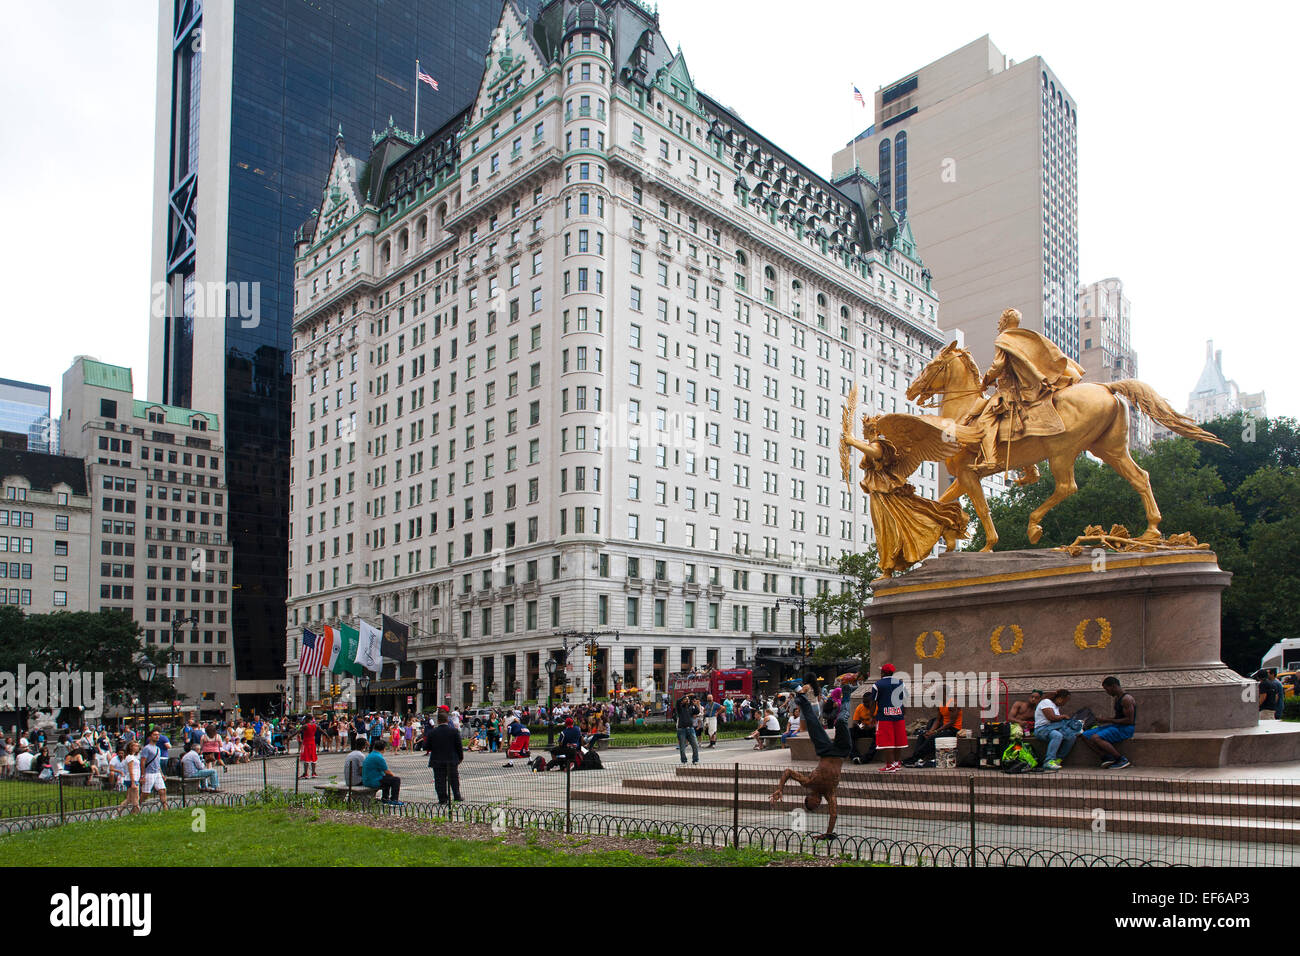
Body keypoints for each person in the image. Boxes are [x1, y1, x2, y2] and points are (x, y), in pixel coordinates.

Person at [972, 307, 1084, 476]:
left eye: (999, 321)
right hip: (1024, 387)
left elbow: (998, 365)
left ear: (1004, 322)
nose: (997, 324)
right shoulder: (1021, 338)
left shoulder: (1003, 338)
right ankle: (1029, 466)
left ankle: (990, 459)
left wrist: (986, 380)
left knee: (985, 420)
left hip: (1011, 391)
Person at [769, 683, 851, 840]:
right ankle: (846, 699)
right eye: (818, 805)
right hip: (841, 751)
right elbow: (833, 814)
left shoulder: (808, 782)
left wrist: (780, 788)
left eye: (814, 803)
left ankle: (800, 693)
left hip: (825, 751)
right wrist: (827, 834)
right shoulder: (829, 793)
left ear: (808, 798)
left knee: (812, 723)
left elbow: (788, 772)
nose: (818, 803)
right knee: (841, 722)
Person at [1079, 677, 1136, 770]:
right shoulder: (1117, 698)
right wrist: (1104, 720)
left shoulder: (1127, 699)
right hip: (1116, 726)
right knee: (1085, 735)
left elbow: (1130, 721)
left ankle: (1121, 759)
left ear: (1113, 686)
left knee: (1096, 737)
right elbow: (1118, 718)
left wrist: (1107, 720)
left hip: (1126, 729)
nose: (1107, 692)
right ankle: (1106, 757)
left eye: (1106, 689)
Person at [902, 687, 963, 768]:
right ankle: (917, 758)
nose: (936, 695)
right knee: (922, 735)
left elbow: (951, 722)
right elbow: (937, 720)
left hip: (953, 730)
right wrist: (930, 731)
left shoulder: (953, 704)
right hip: (943, 728)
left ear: (944, 694)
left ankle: (914, 759)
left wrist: (935, 732)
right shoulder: (940, 704)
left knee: (933, 738)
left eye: (937, 693)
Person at [871, 663, 908, 773]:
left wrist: (872, 715)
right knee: (898, 741)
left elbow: (873, 702)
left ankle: (889, 765)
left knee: (887, 742)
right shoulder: (901, 683)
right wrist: (903, 713)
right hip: (898, 715)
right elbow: (904, 700)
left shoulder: (877, 684)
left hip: (884, 717)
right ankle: (897, 763)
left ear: (882, 673)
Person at [1032, 689, 1080, 772]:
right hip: (1041, 729)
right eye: (1066, 700)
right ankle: (1048, 761)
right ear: (1060, 698)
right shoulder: (1046, 702)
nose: (1065, 703)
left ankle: (1058, 759)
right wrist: (1063, 716)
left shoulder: (1055, 706)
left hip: (1052, 728)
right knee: (1057, 735)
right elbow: (1051, 717)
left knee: (1071, 736)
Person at [425, 710, 464, 805]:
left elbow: (427, 746)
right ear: (447, 720)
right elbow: (459, 746)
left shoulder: (432, 732)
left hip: (437, 759)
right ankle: (457, 795)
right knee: (454, 778)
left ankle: (442, 798)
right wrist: (460, 757)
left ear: (438, 721)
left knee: (439, 780)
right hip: (451, 758)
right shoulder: (454, 731)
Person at [362, 739, 402, 805]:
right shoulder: (378, 757)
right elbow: (386, 771)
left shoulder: (371, 755)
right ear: (383, 749)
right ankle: (394, 799)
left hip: (367, 779)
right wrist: (393, 775)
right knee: (396, 780)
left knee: (387, 779)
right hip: (373, 781)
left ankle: (385, 797)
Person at [139, 730, 169, 809]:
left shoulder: (158, 749)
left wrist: (161, 773)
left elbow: (157, 763)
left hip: (157, 772)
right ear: (150, 737)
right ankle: (137, 805)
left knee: (162, 790)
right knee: (146, 793)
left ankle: (165, 808)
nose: (157, 736)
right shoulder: (147, 748)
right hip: (149, 773)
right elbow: (142, 762)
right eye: (155, 735)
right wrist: (142, 775)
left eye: (158, 735)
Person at [849, 693, 876, 764]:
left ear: (872, 701)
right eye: (864, 702)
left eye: (867, 702)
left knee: (880, 734)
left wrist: (870, 726)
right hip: (863, 730)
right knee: (850, 731)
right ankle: (855, 756)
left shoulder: (877, 707)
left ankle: (866, 758)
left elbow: (880, 722)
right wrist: (861, 726)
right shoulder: (860, 707)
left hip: (874, 730)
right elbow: (855, 722)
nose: (865, 704)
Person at [675, 693, 701, 765]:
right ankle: (684, 761)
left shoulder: (690, 707)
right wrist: (686, 696)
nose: (687, 701)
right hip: (681, 729)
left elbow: (697, 711)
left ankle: (695, 759)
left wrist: (695, 703)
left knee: (695, 745)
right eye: (685, 700)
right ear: (682, 701)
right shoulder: (680, 708)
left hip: (690, 729)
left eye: (688, 700)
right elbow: (677, 701)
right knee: (682, 747)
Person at [119, 741, 142, 815]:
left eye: (137, 746)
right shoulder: (130, 758)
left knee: (129, 799)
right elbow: (131, 770)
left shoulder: (134, 757)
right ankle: (137, 813)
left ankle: (117, 812)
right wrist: (133, 782)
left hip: (134, 778)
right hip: (132, 779)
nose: (137, 747)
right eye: (135, 746)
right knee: (135, 799)